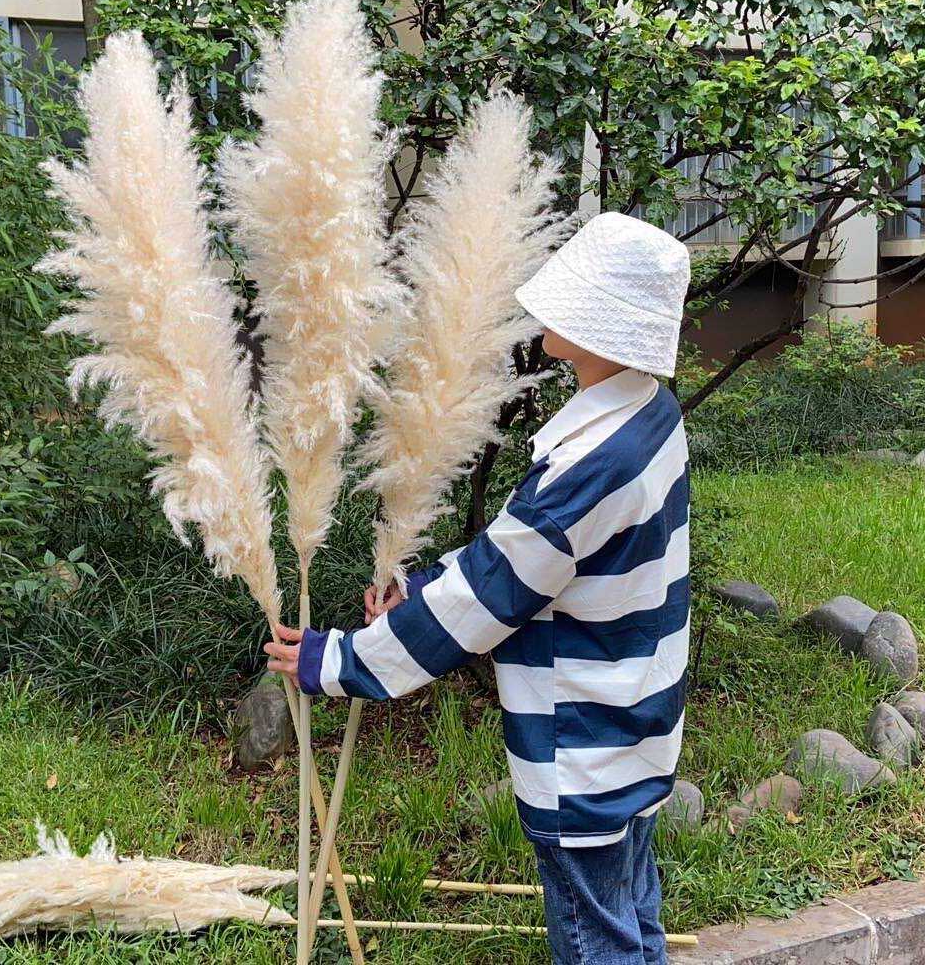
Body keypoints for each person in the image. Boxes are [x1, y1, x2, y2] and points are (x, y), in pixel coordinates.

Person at [267, 211, 692, 965]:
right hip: (636, 726)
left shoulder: (593, 466)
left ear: (602, 333)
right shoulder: (648, 415)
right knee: (631, 916)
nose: (547, 315)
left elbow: (488, 598)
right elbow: (522, 558)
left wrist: (337, 661)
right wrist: (421, 582)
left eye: (571, 305)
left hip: (583, 749)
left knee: (599, 944)